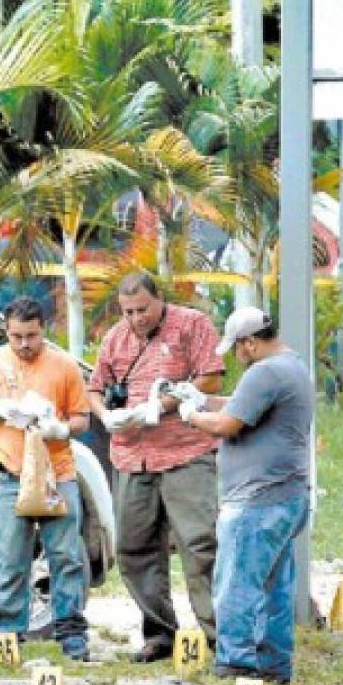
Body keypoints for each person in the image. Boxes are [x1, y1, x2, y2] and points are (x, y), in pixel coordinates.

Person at [87, 271, 225, 662]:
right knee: (134, 546)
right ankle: (160, 633)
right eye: (128, 311)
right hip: (132, 456)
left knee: (199, 543)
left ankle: (218, 634)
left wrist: (161, 406)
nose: (136, 318)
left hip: (185, 452)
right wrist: (107, 416)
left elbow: (211, 378)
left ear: (158, 300)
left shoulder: (191, 325)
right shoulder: (116, 337)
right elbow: (95, 387)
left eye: (142, 309)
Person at [175, 307, 313, 684]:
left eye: (236, 349)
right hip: (286, 495)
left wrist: (191, 415)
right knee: (275, 587)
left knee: (237, 583)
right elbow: (241, 403)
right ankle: (274, 666)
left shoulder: (265, 372)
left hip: (257, 500)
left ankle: (235, 661)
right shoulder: (292, 365)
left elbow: (228, 423)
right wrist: (201, 399)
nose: (235, 357)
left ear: (250, 343)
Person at [0, 298, 91, 660]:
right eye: (16, 337)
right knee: (10, 558)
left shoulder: (63, 366)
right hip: (7, 474)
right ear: (6, 331)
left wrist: (60, 428)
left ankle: (71, 633)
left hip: (56, 473)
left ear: (42, 330)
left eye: (31, 336)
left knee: (65, 556)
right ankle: (7, 634)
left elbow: (82, 418)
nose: (24, 344)